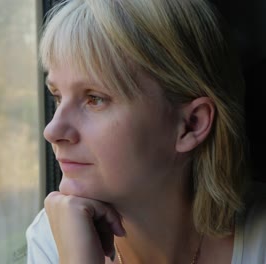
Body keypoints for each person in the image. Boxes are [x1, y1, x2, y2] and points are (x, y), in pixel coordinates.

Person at [26, 0, 266, 263]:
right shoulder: (53, 238)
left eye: (95, 99)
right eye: (58, 96)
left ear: (191, 124)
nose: (52, 130)